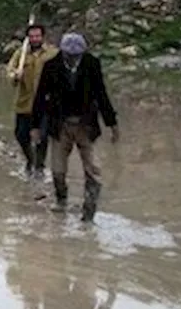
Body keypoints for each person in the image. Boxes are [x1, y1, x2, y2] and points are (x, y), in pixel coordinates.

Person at [30, 33, 120, 222]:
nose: (73, 58)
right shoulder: (51, 66)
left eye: (77, 55)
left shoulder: (91, 64)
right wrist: (35, 126)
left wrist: (112, 123)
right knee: (58, 170)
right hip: (60, 125)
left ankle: (89, 212)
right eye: (69, 55)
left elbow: (101, 94)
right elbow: (40, 97)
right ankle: (61, 199)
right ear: (62, 52)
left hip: (85, 125)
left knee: (93, 169)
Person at [7, 23, 60, 177]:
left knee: (42, 136)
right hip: (24, 102)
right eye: (31, 36)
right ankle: (30, 160)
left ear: (42, 37)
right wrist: (15, 75)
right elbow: (10, 70)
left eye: (37, 36)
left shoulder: (52, 53)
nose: (35, 39)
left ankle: (39, 166)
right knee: (20, 135)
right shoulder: (20, 54)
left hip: (45, 103)